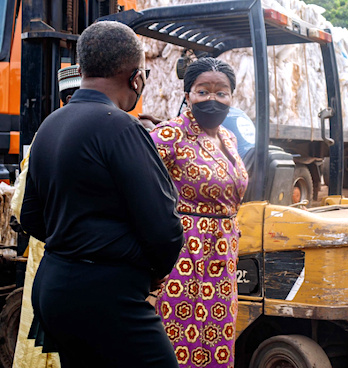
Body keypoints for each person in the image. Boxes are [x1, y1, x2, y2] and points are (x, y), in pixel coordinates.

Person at [20, 21, 184, 368]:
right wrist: (148, 271)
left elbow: (31, 215)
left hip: (54, 286)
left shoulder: (51, 125)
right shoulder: (122, 128)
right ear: (135, 77)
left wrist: (76, 242)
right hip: (105, 295)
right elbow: (164, 229)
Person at [150, 57, 248, 367]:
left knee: (217, 335)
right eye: (203, 91)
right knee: (179, 335)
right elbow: (138, 186)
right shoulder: (170, 135)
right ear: (187, 94)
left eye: (222, 92)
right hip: (185, 253)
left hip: (223, 255)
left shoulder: (229, 139)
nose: (213, 99)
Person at [11, 64, 80, 368]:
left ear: (63, 98)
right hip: (96, 255)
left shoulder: (47, 132)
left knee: (43, 332)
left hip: (50, 250)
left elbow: (21, 205)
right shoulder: (116, 127)